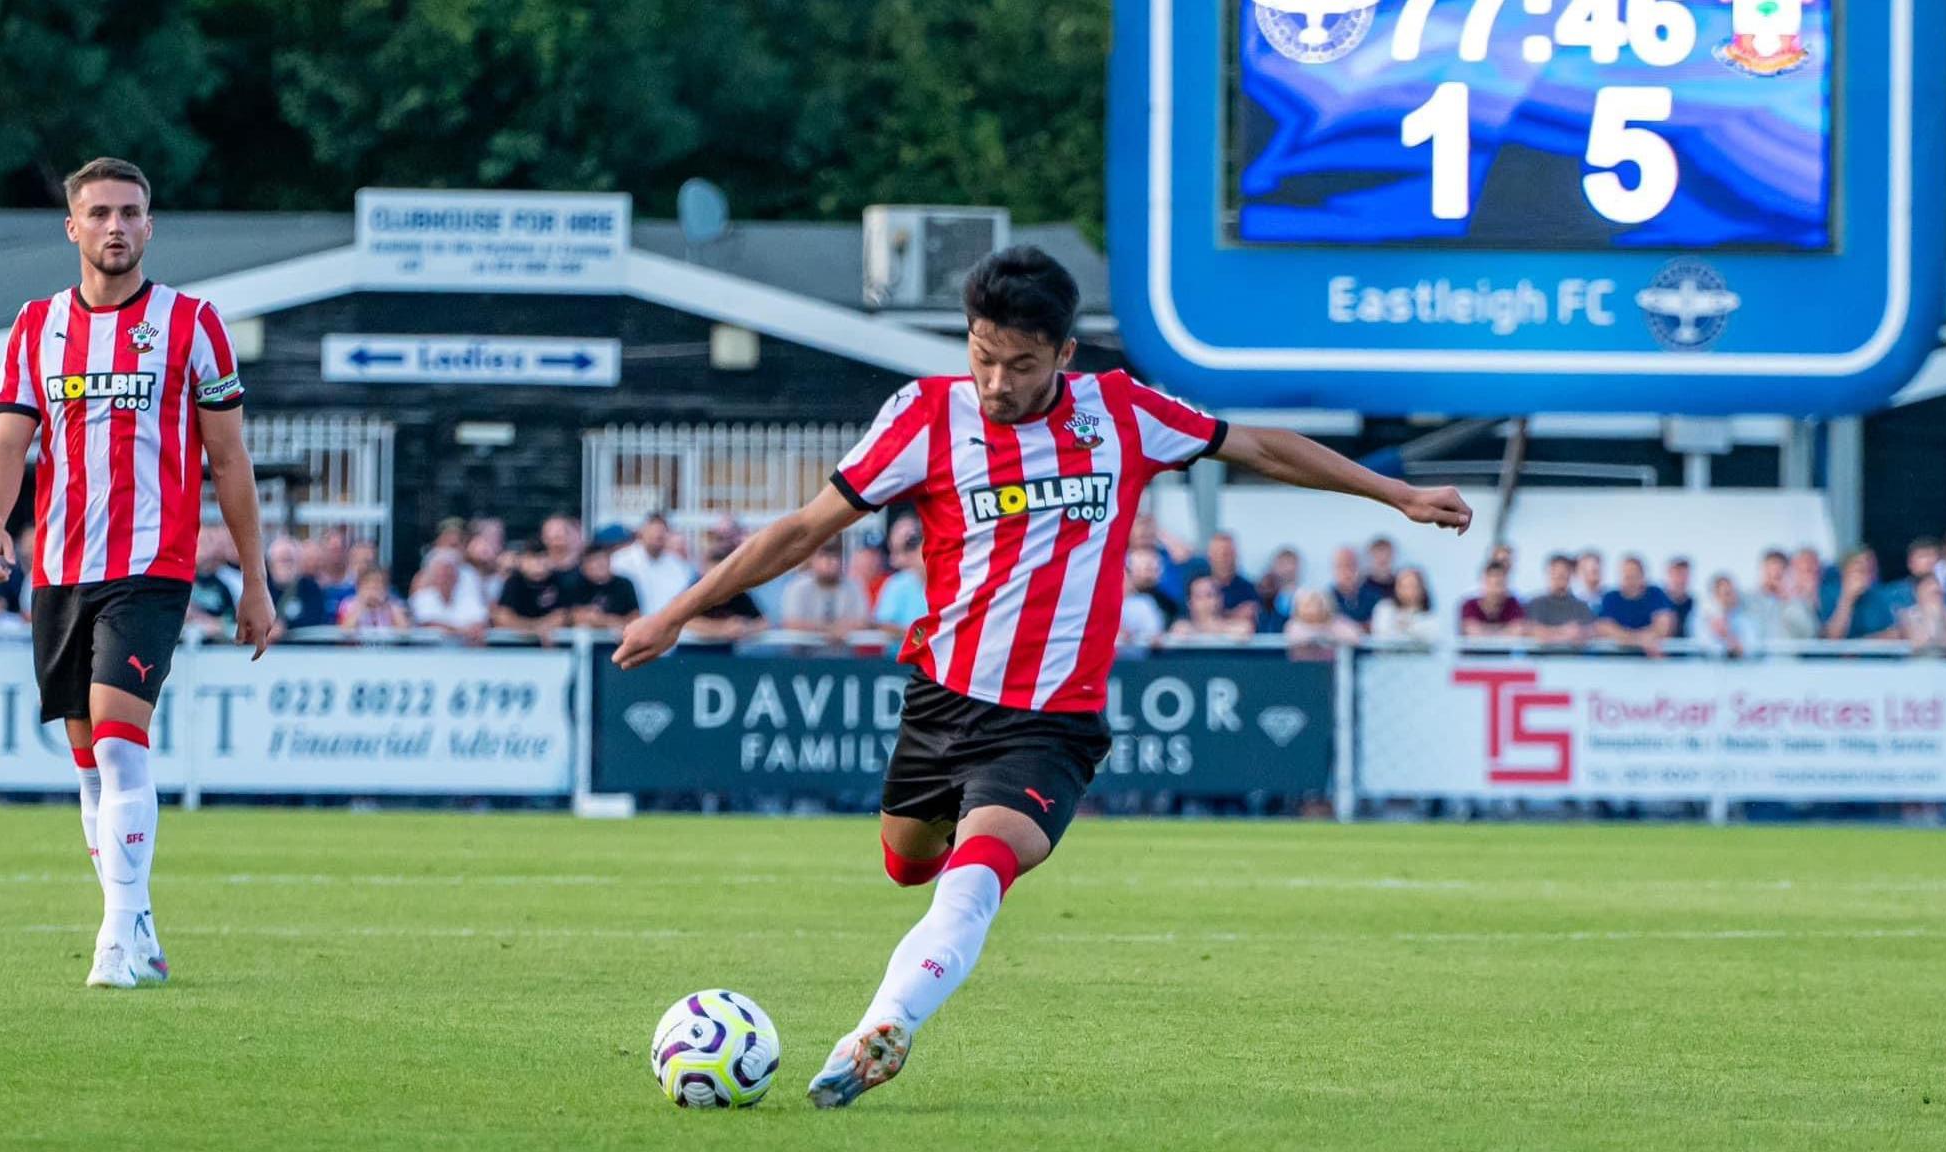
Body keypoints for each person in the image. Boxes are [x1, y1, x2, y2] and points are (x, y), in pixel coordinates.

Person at [609, 246, 1470, 1109]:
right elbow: (803, 529)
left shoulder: (1121, 412)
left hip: (1052, 723)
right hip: (941, 702)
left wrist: (1393, 493)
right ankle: (922, 939)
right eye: (982, 355)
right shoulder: (924, 417)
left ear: (1065, 355)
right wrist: (679, 609)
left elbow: (1259, 446)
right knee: (909, 868)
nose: (994, 381)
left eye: (1019, 364)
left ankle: (882, 1026)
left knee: (976, 876)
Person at [0, 157, 274, 989]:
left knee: (117, 740)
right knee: (85, 762)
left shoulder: (193, 323)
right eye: (99, 213)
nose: (116, 226)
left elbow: (229, 459)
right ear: (72, 227)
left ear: (150, 226)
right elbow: (8, 442)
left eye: (130, 213)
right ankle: (137, 920)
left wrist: (255, 580)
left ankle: (113, 936)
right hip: (59, 570)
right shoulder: (35, 327)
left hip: (152, 566)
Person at [610, 513, 696, 617]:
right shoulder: (619, 561)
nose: (657, 536)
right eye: (653, 532)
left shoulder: (679, 566)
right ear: (642, 532)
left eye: (661, 533)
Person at [781, 541, 871, 641]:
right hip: (805, 653)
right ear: (812, 559)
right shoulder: (797, 587)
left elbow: (863, 622)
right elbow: (792, 623)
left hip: (844, 652)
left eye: (834, 556)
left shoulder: (854, 586)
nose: (829, 562)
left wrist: (826, 629)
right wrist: (830, 630)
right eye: (823, 556)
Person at [1596, 555, 1676, 653]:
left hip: (1649, 660)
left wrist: (1625, 638)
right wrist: (1639, 640)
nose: (1630, 580)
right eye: (1626, 576)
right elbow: (1604, 628)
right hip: (1617, 658)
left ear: (1642, 576)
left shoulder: (1655, 593)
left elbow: (1664, 626)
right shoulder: (1611, 597)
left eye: (1633, 575)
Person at [409, 547, 490, 642]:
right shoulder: (422, 598)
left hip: (465, 653)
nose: (446, 577)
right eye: (441, 573)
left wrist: (454, 630)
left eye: (450, 573)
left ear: (457, 577)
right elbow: (428, 625)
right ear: (432, 577)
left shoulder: (469, 598)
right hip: (429, 653)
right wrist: (462, 631)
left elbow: (480, 624)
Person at [494, 544, 573, 641]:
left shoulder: (559, 581)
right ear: (521, 561)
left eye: (542, 557)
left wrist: (537, 628)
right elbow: (502, 617)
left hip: (552, 647)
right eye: (532, 557)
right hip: (516, 645)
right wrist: (534, 630)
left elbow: (563, 615)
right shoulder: (513, 582)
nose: (537, 562)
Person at [873, 523, 930, 656]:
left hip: (936, 663)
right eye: (917, 550)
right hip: (898, 661)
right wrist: (919, 636)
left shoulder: (947, 583)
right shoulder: (897, 584)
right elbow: (883, 623)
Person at [1820, 548, 1897, 640]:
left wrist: (1860, 645)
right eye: (1860, 568)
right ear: (1845, 571)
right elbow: (1831, 637)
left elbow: (1893, 633)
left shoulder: (1877, 595)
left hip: (1869, 652)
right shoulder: (1827, 593)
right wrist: (1847, 598)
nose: (1865, 573)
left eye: (1870, 568)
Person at [1186, 532, 1260, 627]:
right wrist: (1232, 616)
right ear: (1209, 556)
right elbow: (1183, 625)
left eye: (1227, 554)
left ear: (1235, 555)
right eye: (1218, 553)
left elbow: (1249, 622)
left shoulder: (1249, 589)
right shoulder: (1197, 584)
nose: (1223, 559)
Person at [1747, 549, 1818, 644]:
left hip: (1787, 657)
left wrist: (1788, 601)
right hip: (1758, 657)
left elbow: (1809, 633)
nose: (1773, 576)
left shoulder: (1797, 602)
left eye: (1778, 573)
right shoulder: (1749, 601)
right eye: (1769, 570)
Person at [1523, 553, 1595, 646]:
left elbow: (1584, 634)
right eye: (1556, 571)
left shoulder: (1582, 606)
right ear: (1548, 573)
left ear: (1571, 574)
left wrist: (1551, 633)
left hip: (1574, 658)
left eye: (1564, 571)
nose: (1560, 575)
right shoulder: (1535, 604)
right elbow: (1536, 632)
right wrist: (1565, 632)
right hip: (1541, 658)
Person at [573, 542, 642, 629]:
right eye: (593, 560)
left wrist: (603, 620)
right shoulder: (577, 585)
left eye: (602, 559)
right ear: (584, 566)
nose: (599, 564)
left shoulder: (624, 585)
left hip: (617, 641)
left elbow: (635, 617)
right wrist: (610, 622)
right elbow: (573, 615)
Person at [266, 536, 327, 633]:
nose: (286, 566)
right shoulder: (261, 589)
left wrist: (284, 626)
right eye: (282, 560)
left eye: (290, 560)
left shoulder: (310, 588)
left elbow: (315, 619)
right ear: (270, 564)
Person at [1895, 572, 1946, 653]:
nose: (1936, 588)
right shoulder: (1907, 615)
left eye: (1937, 593)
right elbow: (1918, 643)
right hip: (1917, 662)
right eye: (1929, 586)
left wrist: (1938, 615)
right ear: (1918, 592)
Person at [1168, 575, 1256, 640]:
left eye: (1209, 595)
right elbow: (1179, 631)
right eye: (1199, 596)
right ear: (1190, 603)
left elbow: (1244, 630)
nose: (1205, 601)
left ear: (1220, 599)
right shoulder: (1182, 627)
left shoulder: (1240, 626)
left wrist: (1205, 629)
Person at [1282, 588, 1360, 659]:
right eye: (1307, 605)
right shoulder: (1294, 624)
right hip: (1302, 669)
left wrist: (1328, 632)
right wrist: (1322, 634)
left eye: (1316, 604)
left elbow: (1354, 635)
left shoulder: (1335, 622)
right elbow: (1294, 637)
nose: (1312, 609)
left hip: (1332, 669)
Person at [1692, 574, 1755, 658]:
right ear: (1715, 595)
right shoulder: (1700, 619)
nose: (1733, 597)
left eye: (1734, 592)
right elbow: (1708, 648)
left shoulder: (1742, 618)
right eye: (1727, 593)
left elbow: (1751, 646)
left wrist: (1727, 635)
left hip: (1741, 668)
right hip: (1708, 668)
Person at [1370, 567, 1440, 643]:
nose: (1408, 591)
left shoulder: (1430, 617)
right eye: (1404, 586)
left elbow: (1432, 637)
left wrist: (1407, 627)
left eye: (1412, 585)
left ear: (1421, 588)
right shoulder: (1384, 609)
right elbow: (1381, 634)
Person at [1458, 560, 1525, 637]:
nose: (1496, 590)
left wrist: (1484, 630)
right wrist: (1505, 630)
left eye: (1500, 584)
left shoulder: (1513, 604)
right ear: (1484, 582)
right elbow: (1472, 631)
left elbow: (1518, 630)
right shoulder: (1469, 605)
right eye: (1493, 584)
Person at [1327, 546, 1376, 629]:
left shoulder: (1374, 596)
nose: (1346, 571)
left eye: (1350, 565)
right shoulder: (1327, 598)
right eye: (1341, 566)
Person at [1662, 557, 1695, 636]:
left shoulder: (1695, 604)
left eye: (1685, 575)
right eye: (1678, 574)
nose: (1681, 580)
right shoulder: (1657, 603)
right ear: (1669, 575)